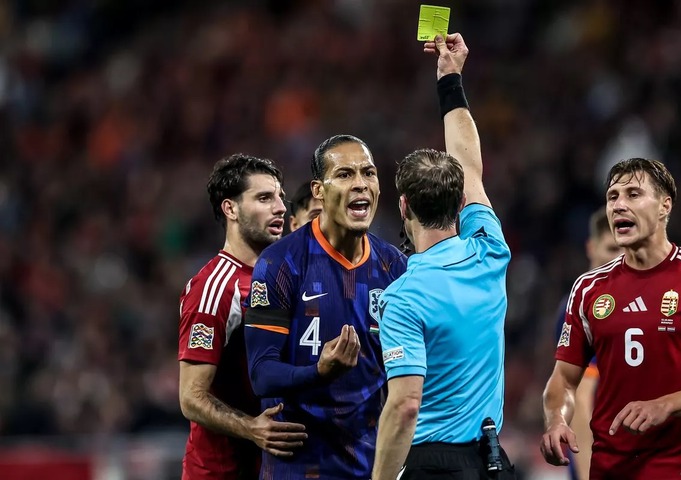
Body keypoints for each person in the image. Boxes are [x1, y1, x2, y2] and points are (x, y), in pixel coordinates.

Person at [372, 33, 514, 480]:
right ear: (460, 206)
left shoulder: (403, 299)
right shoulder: (490, 251)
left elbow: (406, 404)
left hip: (432, 464)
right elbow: (470, 166)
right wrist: (450, 79)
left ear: (403, 206)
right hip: (491, 461)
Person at [541, 158, 681, 479]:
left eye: (633, 194)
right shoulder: (588, 289)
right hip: (611, 468)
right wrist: (557, 419)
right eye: (612, 197)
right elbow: (564, 380)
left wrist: (666, 405)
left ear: (665, 206)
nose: (619, 205)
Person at [243, 135, 408, 479]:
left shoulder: (394, 266)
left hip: (369, 466)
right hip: (298, 466)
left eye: (369, 173)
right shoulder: (282, 263)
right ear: (319, 190)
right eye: (345, 174)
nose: (361, 184)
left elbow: (403, 378)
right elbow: (262, 374)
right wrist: (319, 371)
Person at [177, 153, 307, 479]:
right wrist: (251, 427)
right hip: (221, 472)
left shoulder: (284, 277)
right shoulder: (214, 288)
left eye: (280, 197)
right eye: (264, 198)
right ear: (230, 209)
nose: (280, 207)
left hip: (271, 466)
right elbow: (191, 397)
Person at [552, 207, 622, 480]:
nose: (619, 258)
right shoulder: (584, 308)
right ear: (591, 248)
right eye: (611, 249)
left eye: (625, 249)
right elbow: (580, 397)